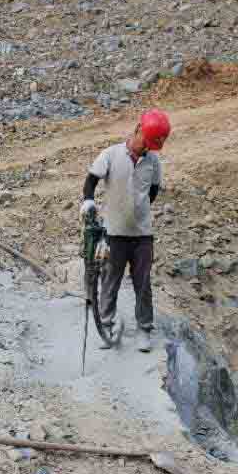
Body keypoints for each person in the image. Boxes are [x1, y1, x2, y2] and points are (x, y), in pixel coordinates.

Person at [81, 109, 170, 352]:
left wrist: (137, 210)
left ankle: (144, 329)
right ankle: (107, 324)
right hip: (114, 233)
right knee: (110, 281)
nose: (147, 148)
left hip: (142, 235)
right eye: (147, 142)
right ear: (138, 130)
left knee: (143, 284)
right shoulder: (111, 155)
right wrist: (88, 200)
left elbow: (152, 192)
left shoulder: (152, 161)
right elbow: (91, 180)